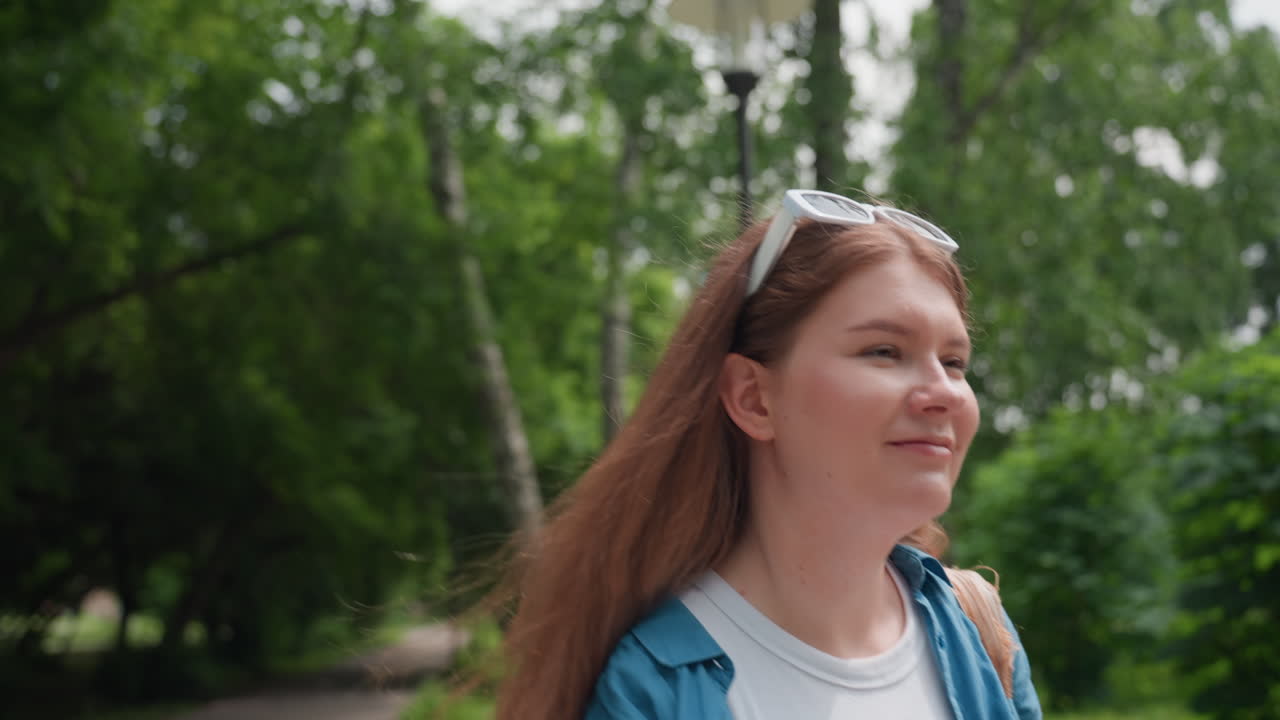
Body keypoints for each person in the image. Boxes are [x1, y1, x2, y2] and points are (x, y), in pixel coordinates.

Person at [493, 190, 1043, 719]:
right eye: (884, 351)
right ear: (753, 398)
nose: (944, 392)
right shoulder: (650, 691)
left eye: (953, 361)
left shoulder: (977, 631)